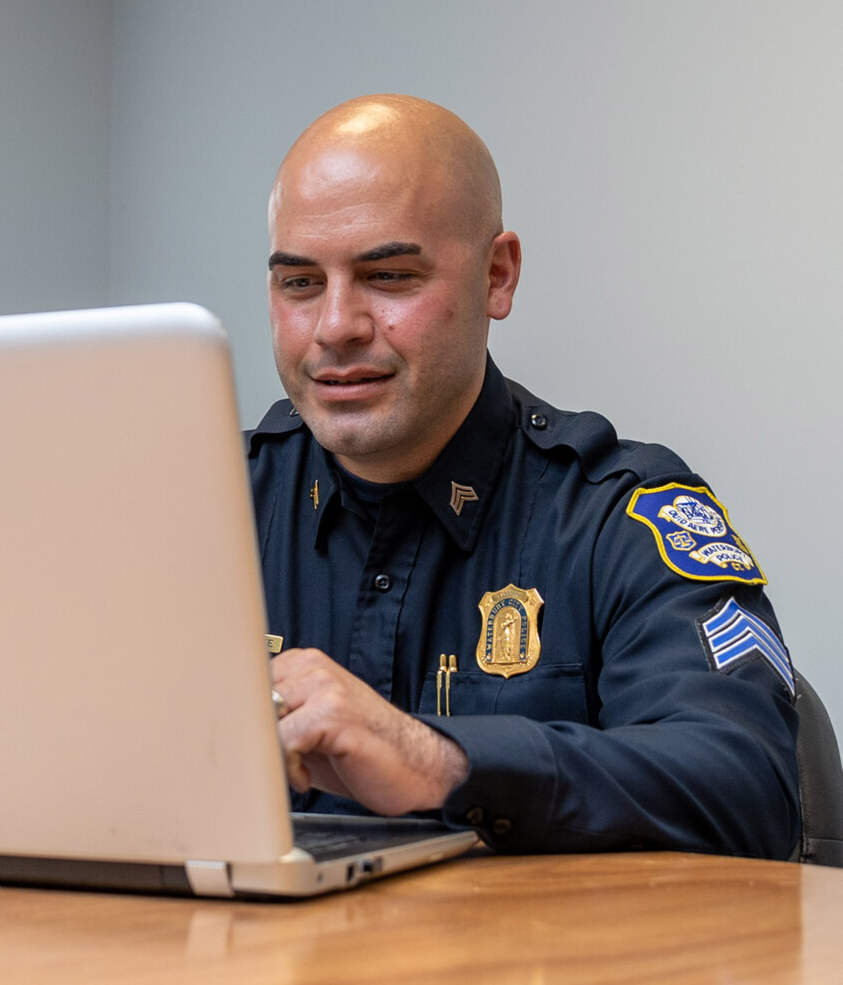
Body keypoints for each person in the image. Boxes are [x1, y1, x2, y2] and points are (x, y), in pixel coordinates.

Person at [247, 94, 800, 859]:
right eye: (300, 284)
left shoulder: (620, 515)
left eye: (390, 275)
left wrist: (440, 759)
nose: (336, 326)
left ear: (496, 277)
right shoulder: (206, 505)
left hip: (539, 976)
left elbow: (752, 790)